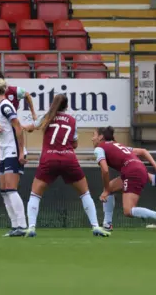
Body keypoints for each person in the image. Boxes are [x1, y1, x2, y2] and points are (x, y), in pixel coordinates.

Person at [23, 94, 110, 238]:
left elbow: (30, 127)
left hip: (49, 158)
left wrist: (21, 127)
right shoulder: (72, 120)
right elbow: (74, 143)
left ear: (53, 104)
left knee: (35, 194)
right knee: (84, 193)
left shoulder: (47, 117)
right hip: (68, 159)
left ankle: (31, 227)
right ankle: (95, 226)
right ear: (67, 106)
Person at [94, 126, 156, 230]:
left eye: (94, 135)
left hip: (132, 172)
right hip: (139, 169)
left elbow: (105, 170)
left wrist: (106, 190)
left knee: (128, 210)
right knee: (111, 188)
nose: (92, 138)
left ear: (100, 137)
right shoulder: (118, 145)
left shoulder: (100, 148)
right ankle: (107, 224)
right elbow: (143, 151)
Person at [0, 78, 27, 237]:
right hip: (4, 152)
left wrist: (20, 151)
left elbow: (18, 127)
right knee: (4, 190)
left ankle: (22, 225)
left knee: (11, 189)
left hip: (12, 151)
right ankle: (14, 225)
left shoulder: (5, 106)